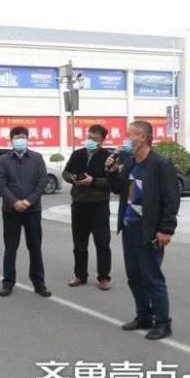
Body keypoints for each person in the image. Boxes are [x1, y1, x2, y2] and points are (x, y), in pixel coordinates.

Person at [106, 121, 179, 340]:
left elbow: (171, 199)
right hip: (129, 227)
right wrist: (111, 171)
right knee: (134, 277)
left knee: (152, 277)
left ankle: (163, 323)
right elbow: (119, 189)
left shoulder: (160, 164)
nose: (125, 139)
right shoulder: (129, 162)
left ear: (143, 138)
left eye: (130, 135)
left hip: (149, 229)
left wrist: (166, 229)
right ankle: (143, 316)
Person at [0, 126, 51, 298]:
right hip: (11, 211)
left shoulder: (37, 158)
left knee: (35, 247)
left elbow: (42, 182)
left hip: (32, 210)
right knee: (10, 248)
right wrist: (15, 202)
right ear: (11, 140)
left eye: (22, 137)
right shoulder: (4, 160)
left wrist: (28, 201)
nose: (20, 140)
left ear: (27, 139)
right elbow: (1, 184)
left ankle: (39, 283)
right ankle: (8, 282)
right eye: (16, 137)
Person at [62, 124, 112, 290]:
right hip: (79, 205)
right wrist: (71, 178)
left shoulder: (108, 157)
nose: (90, 141)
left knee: (102, 243)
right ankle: (80, 275)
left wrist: (94, 181)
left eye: (95, 139)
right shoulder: (77, 154)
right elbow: (66, 172)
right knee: (79, 244)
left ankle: (103, 277)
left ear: (102, 141)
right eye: (89, 137)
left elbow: (113, 181)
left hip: (99, 206)